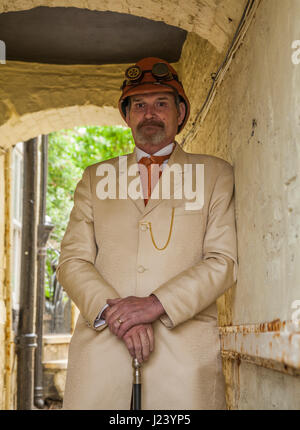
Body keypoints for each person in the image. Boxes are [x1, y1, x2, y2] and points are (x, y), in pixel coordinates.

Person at [56, 57, 238, 410]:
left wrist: (155, 305)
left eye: (161, 103)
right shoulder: (95, 179)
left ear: (180, 113)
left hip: (182, 359)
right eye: (139, 104)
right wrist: (119, 316)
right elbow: (72, 262)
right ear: (126, 116)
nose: (149, 113)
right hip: (102, 357)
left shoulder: (216, 175)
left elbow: (223, 262)